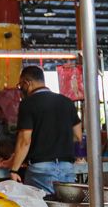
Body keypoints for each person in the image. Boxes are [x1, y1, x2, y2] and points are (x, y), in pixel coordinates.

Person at [9, 66, 82, 194]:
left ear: (27, 83)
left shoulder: (28, 104)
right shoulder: (67, 102)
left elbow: (24, 140)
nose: (21, 90)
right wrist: (57, 140)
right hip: (67, 168)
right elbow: (78, 136)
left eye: (21, 86)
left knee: (41, 205)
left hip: (41, 170)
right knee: (66, 205)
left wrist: (14, 170)